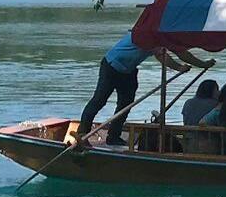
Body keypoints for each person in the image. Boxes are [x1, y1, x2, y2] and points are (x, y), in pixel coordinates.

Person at [71, 29, 211, 148]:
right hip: (111, 66)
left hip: (129, 71)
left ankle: (113, 136)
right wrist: (182, 67)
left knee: (126, 104)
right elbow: (169, 56)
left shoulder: (163, 37)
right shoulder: (149, 34)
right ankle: (82, 134)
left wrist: (200, 64)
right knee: (99, 100)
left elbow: (178, 53)